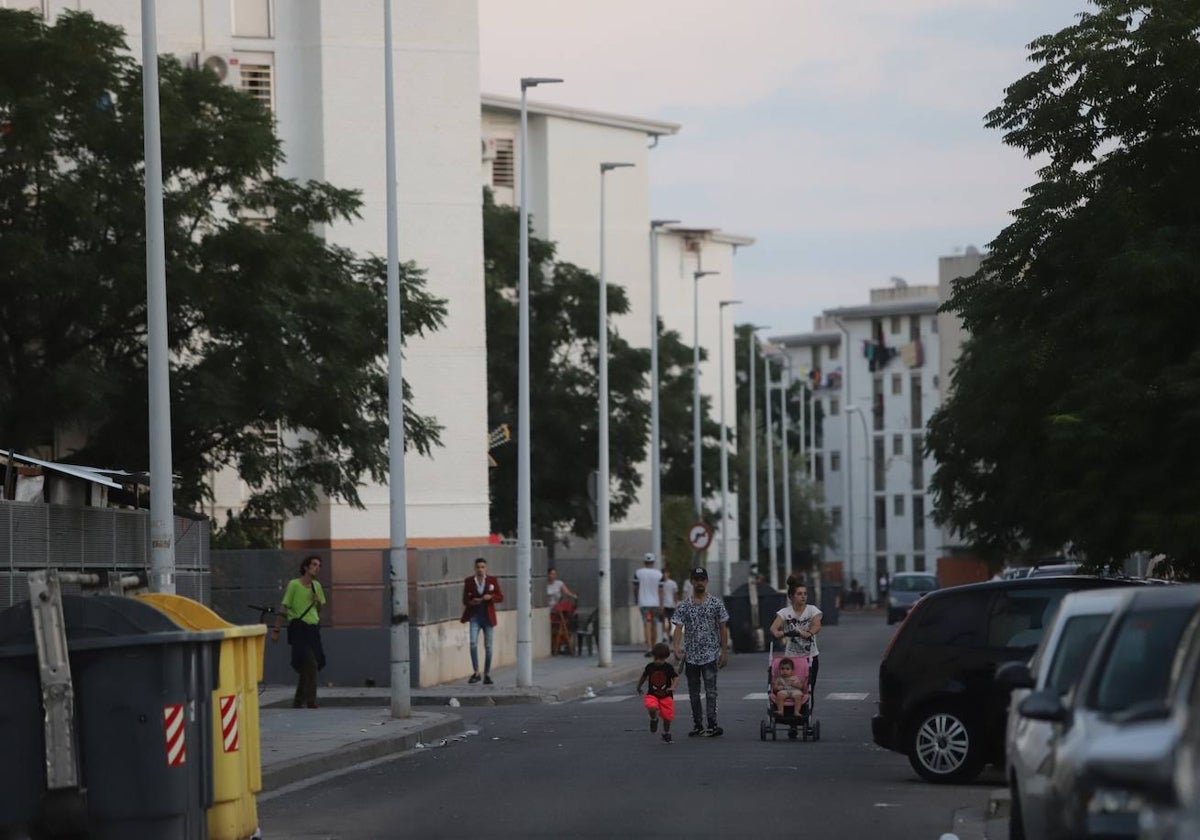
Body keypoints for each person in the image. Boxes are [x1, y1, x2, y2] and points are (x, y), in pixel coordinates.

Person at [671, 567, 730, 737]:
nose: (699, 582)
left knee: (711, 691)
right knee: (694, 692)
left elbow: (723, 628)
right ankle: (698, 724)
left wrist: (724, 652)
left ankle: (712, 723)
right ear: (692, 582)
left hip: (710, 654)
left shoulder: (716, 603)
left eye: (702, 579)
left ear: (707, 581)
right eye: (696, 579)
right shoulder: (685, 605)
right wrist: (676, 647)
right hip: (691, 657)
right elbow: (678, 627)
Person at [269, 554, 327, 709]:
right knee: (311, 663)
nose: (317, 568)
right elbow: (285, 607)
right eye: (314, 564)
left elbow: (321, 608)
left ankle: (298, 700)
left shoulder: (317, 586)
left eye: (319, 565)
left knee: (311, 664)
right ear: (306, 567)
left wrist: (317, 602)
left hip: (313, 629)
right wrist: (276, 629)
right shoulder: (294, 585)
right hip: (299, 628)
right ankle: (311, 700)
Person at [770, 581, 823, 702]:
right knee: (789, 685)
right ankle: (787, 711)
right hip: (792, 658)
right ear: (791, 597)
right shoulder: (785, 612)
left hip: (810, 656)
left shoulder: (812, 610)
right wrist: (777, 632)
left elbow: (817, 625)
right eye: (799, 594)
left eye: (805, 594)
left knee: (808, 688)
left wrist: (809, 633)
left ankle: (806, 715)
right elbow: (774, 627)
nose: (803, 596)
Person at [460, 557, 504, 685]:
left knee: (488, 647)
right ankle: (476, 672)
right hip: (475, 617)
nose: (480, 569)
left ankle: (487, 674)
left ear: (486, 568)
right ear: (474, 568)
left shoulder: (492, 580)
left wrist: (491, 596)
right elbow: (465, 600)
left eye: (482, 567)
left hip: (488, 617)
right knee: (473, 644)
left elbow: (500, 596)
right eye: (478, 567)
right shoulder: (469, 581)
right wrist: (471, 602)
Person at [636, 642, 680, 744]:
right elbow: (643, 677)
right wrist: (638, 687)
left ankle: (666, 733)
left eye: (661, 659)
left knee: (667, 717)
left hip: (666, 695)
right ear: (654, 656)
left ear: (666, 657)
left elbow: (676, 678)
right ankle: (654, 719)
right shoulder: (650, 667)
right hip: (652, 694)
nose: (659, 662)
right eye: (657, 659)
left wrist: (673, 687)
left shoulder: (668, 667)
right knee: (651, 706)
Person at [633, 553, 663, 656]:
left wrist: (636, 599)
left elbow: (635, 588)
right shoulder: (659, 574)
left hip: (644, 603)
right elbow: (660, 591)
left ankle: (649, 648)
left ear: (644, 562)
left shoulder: (638, 573)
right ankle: (654, 646)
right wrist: (661, 604)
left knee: (647, 624)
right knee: (654, 625)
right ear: (653, 562)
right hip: (655, 603)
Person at [659, 567, 679, 643]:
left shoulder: (672, 583)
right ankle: (664, 635)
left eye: (666, 573)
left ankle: (669, 634)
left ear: (668, 574)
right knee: (664, 620)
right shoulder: (660, 583)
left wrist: (676, 603)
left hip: (671, 605)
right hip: (664, 605)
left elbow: (675, 594)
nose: (664, 575)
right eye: (663, 573)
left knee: (670, 621)